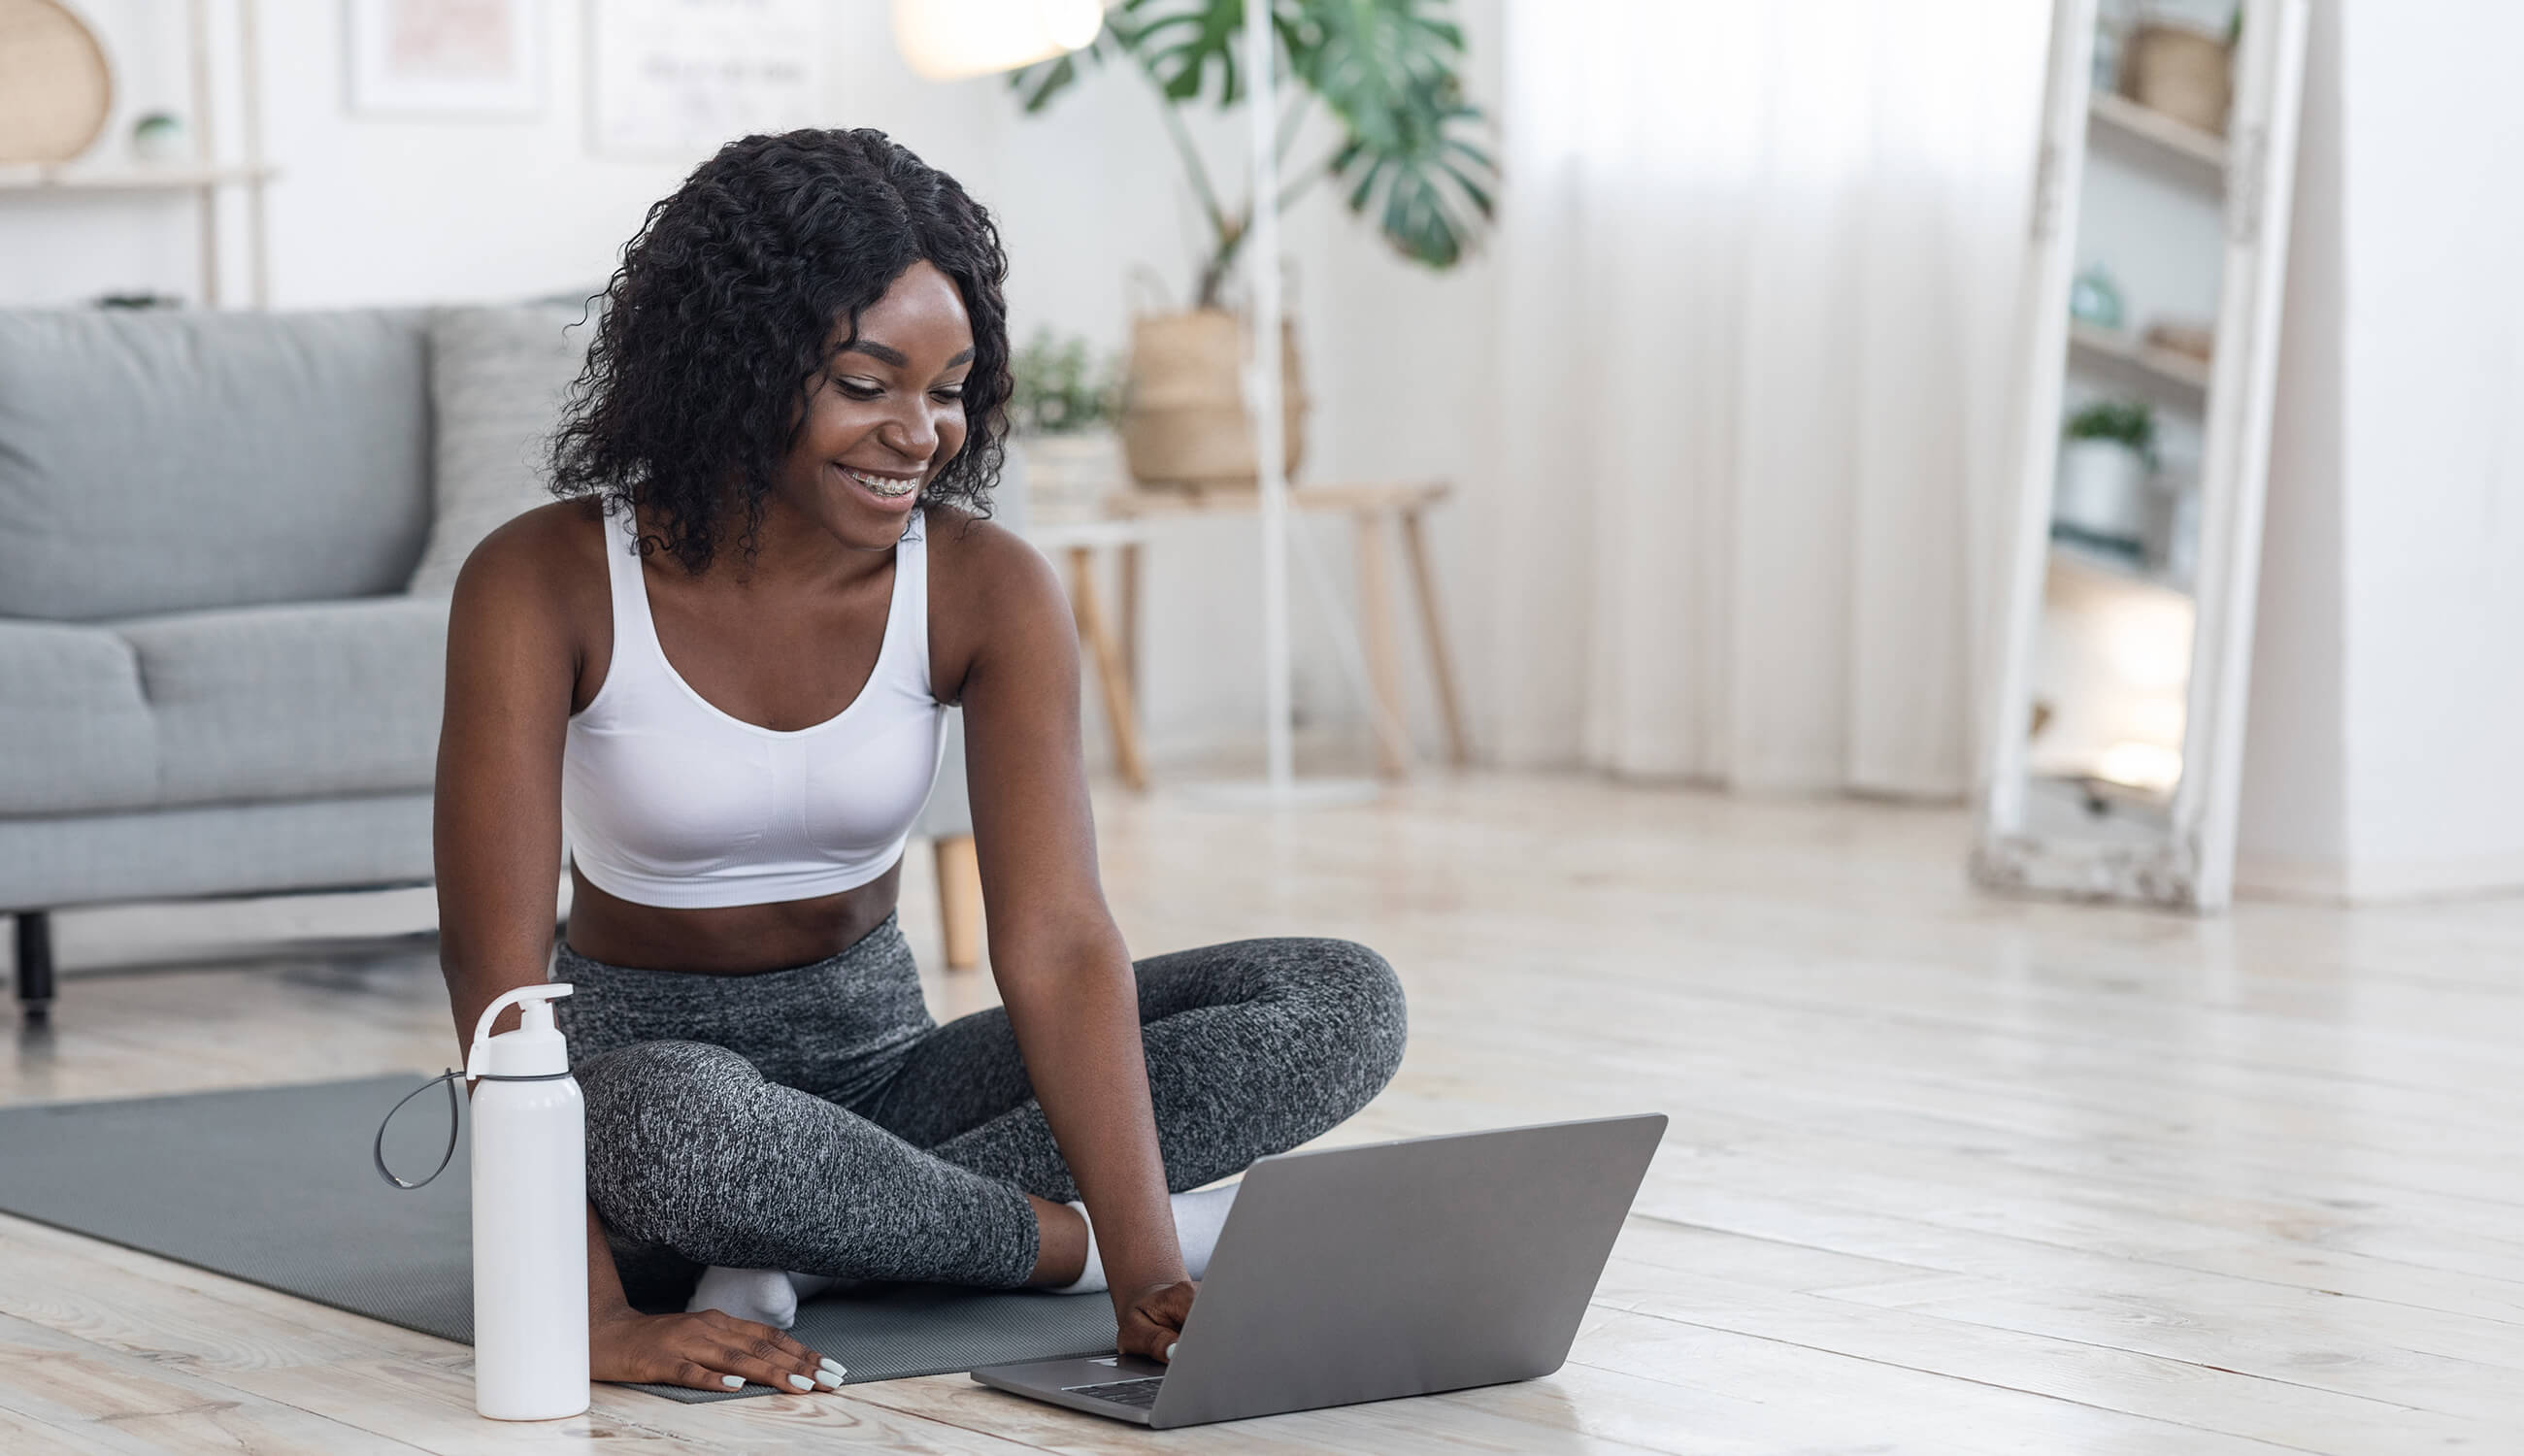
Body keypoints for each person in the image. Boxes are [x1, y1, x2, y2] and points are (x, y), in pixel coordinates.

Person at [432, 128, 1407, 1396]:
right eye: (866, 382)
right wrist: (588, 1317)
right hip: (656, 1108)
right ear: (736, 366)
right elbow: (495, 974)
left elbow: (1057, 942)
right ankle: (1022, 1245)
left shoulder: (985, 586)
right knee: (678, 1123)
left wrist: (1155, 1278)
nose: (920, 433)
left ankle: (831, 1242)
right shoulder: (544, 577)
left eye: (948, 389)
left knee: (1336, 1001)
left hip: (894, 1073)